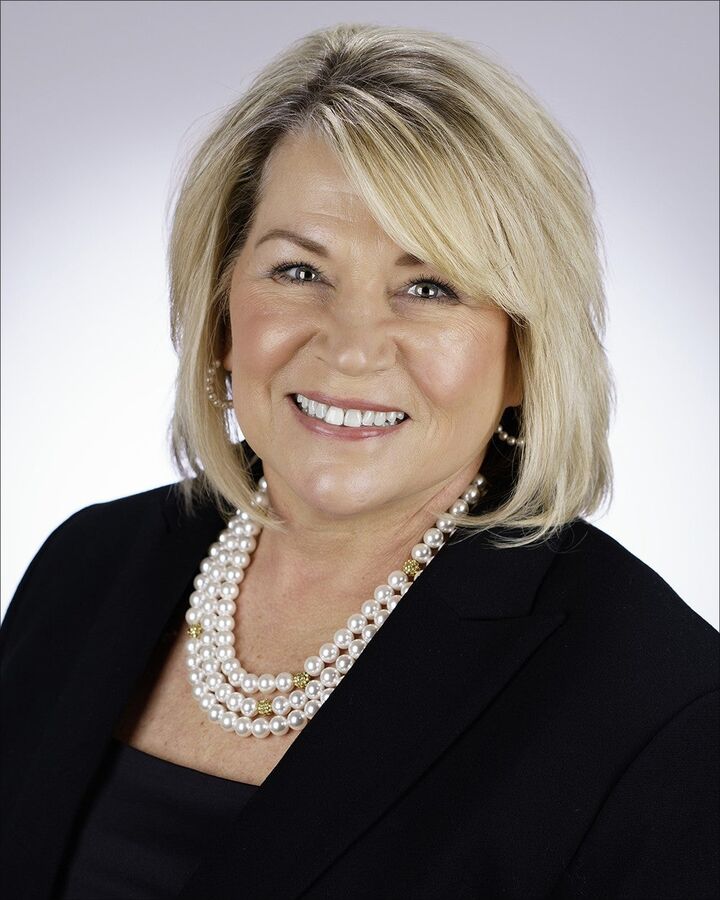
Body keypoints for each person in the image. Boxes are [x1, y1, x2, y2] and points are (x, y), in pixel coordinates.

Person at [1, 21, 717, 900]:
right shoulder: (86, 566)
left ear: (524, 353)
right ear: (222, 312)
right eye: (299, 272)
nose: (351, 347)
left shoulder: (659, 708)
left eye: (430, 287)